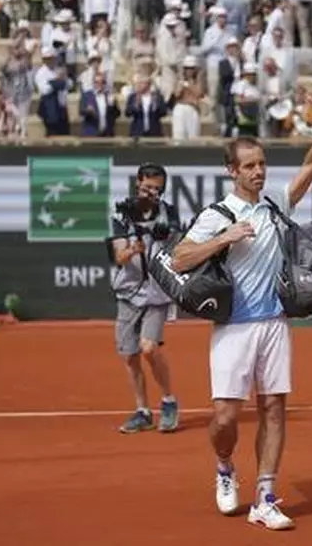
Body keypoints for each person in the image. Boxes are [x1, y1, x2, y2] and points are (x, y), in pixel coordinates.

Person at [170, 87, 312, 531]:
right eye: (250, 166)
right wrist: (224, 238)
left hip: (274, 324)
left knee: (274, 409)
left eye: (262, 164)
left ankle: (265, 495)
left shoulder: (275, 204)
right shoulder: (218, 213)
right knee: (225, 417)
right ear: (232, 171)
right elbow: (179, 258)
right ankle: (225, 466)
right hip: (233, 328)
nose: (259, 172)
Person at [107, 163, 183, 434]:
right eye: (147, 187)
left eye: (157, 189)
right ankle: (142, 411)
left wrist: (162, 234)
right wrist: (132, 249)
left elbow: (177, 245)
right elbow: (118, 256)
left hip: (157, 293)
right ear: (138, 183)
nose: (152, 192)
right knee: (130, 356)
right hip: (127, 291)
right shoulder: (121, 212)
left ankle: (169, 401)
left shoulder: (169, 211)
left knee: (149, 348)